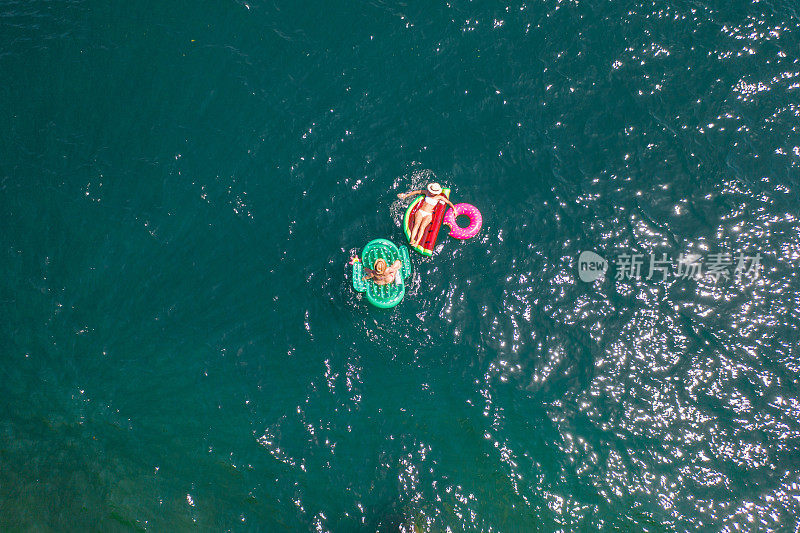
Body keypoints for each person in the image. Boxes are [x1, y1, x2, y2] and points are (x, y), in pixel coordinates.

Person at [397, 183, 455, 247]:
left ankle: (417, 242)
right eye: (430, 190)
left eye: (432, 192)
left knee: (422, 227)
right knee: (416, 224)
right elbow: (417, 192)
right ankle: (412, 240)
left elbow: (448, 202)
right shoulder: (426, 192)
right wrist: (406, 195)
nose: (430, 192)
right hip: (421, 211)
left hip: (429, 214)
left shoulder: (439, 197)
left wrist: (454, 209)